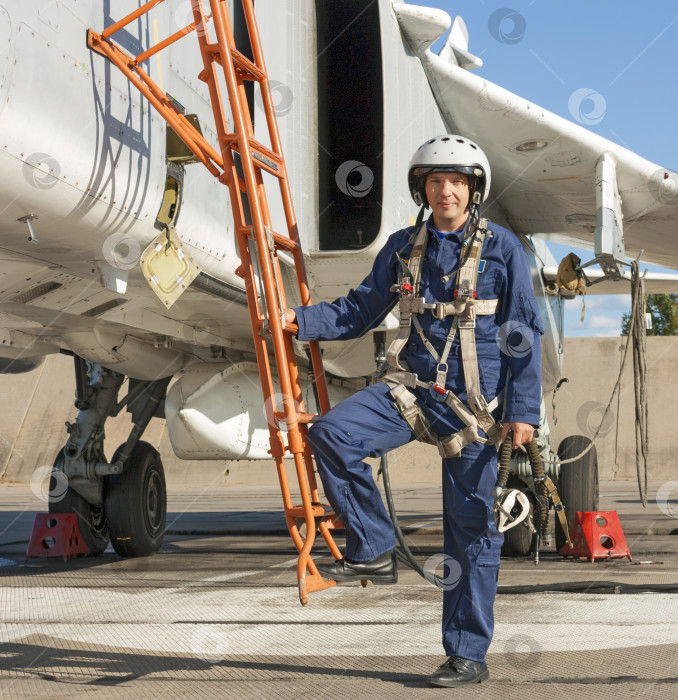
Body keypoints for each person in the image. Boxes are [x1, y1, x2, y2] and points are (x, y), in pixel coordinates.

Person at [284, 135, 543, 688]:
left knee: (470, 532)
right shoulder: (403, 248)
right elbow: (360, 308)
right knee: (332, 434)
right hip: (410, 392)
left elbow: (522, 332)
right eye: (435, 181)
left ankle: (467, 654)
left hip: (477, 410)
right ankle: (374, 546)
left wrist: (524, 410)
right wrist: (299, 322)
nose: (445, 190)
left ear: (473, 190)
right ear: (422, 189)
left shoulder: (504, 249)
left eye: (456, 181)